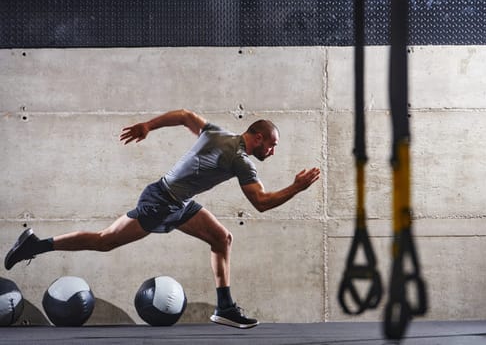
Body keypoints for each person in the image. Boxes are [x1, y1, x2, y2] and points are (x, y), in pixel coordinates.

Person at [4, 109, 321, 329]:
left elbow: (185, 116)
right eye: (273, 145)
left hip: (176, 201)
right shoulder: (240, 160)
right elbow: (262, 204)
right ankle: (36, 245)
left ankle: (225, 308)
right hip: (161, 203)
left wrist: (148, 126)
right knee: (104, 242)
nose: (273, 152)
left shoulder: (217, 133)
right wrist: (296, 187)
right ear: (258, 137)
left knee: (221, 238)